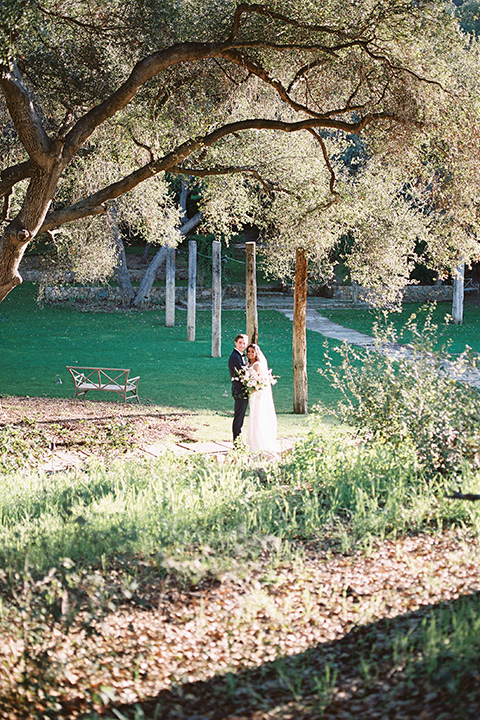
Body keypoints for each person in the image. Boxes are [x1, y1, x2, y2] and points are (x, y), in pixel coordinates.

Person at [246, 343, 277, 453]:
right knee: (253, 416)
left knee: (258, 415)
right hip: (252, 394)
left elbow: (261, 380)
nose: (250, 354)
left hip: (258, 394)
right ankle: (252, 440)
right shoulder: (250, 363)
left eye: (252, 352)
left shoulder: (258, 365)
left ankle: (259, 442)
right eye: (248, 351)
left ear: (256, 353)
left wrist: (254, 386)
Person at [228, 334, 248, 444]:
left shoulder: (239, 356)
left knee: (240, 417)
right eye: (240, 342)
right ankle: (237, 443)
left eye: (244, 343)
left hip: (242, 390)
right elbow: (241, 374)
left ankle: (239, 442)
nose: (242, 345)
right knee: (238, 418)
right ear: (235, 343)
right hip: (239, 391)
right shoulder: (235, 357)